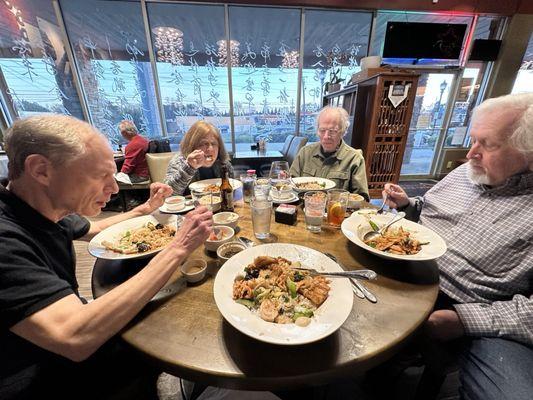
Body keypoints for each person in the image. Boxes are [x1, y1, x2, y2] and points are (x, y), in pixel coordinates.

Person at [0, 115, 213, 399]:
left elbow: (96, 228)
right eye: (101, 176)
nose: (113, 189)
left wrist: (145, 208)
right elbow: (74, 337)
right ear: (41, 169)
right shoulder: (5, 237)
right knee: (158, 341)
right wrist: (178, 247)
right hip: (35, 375)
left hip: (61, 342)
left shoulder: (39, 206)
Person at [382, 93, 533, 400]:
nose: (469, 154)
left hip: (478, 308)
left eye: (487, 144)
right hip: (408, 271)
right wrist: (408, 204)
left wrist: (466, 321)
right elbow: (430, 206)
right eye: (472, 140)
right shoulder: (467, 172)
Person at [289, 106, 369, 200]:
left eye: (332, 131)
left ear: (342, 132)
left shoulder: (354, 158)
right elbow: (291, 183)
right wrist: (284, 179)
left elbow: (362, 199)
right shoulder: (305, 153)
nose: (326, 136)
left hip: (336, 212)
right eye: (322, 130)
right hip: (304, 210)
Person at [165, 120, 234, 195]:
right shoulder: (179, 161)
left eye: (214, 144)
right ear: (191, 146)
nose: (210, 149)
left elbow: (231, 191)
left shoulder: (223, 164)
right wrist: (189, 167)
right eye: (203, 144)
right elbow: (168, 194)